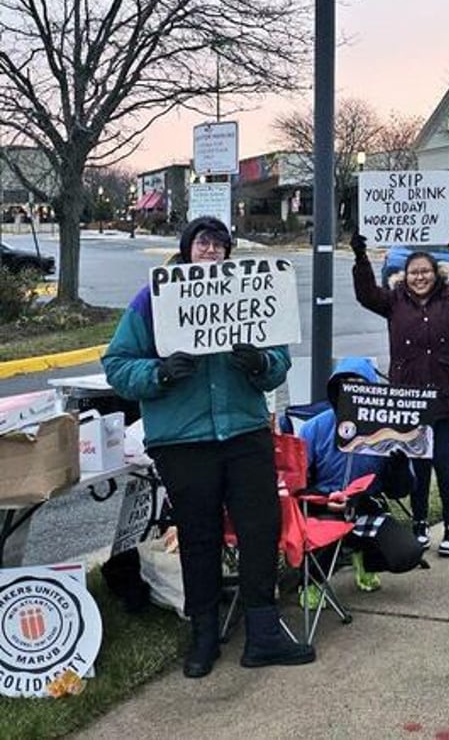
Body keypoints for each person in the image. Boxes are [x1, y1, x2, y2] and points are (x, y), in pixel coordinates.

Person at [103, 216, 315, 677]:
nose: (211, 251)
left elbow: (278, 363)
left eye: (220, 244)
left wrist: (260, 362)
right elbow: (116, 365)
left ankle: (263, 631)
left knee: (260, 530)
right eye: (203, 242)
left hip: (244, 432)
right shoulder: (152, 300)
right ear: (187, 248)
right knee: (199, 537)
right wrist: (159, 373)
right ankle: (203, 635)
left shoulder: (248, 293)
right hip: (183, 441)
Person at [350, 234, 449, 558]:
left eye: (426, 271)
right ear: (405, 276)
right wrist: (360, 256)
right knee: (420, 464)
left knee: (446, 463)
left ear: (437, 273)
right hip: (410, 400)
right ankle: (419, 524)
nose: (420, 277)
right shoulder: (393, 301)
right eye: (414, 272)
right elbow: (364, 294)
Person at [298, 356, 418, 599]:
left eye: (360, 386)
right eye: (345, 386)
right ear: (334, 390)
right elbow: (297, 484)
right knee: (318, 533)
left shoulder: (387, 431)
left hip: (365, 507)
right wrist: (321, 499)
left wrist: (399, 466)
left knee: (407, 552)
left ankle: (365, 559)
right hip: (322, 507)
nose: (352, 393)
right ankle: (310, 580)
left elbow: (400, 491)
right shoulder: (313, 428)